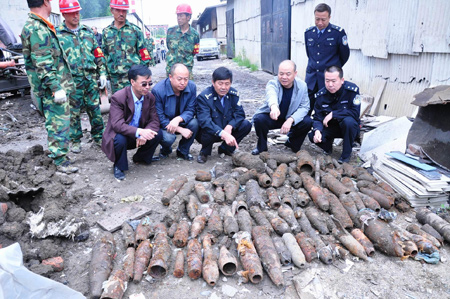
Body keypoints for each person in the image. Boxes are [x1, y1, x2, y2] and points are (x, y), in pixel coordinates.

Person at [20, 0, 77, 174]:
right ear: (46, 2)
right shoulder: (37, 28)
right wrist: (55, 87)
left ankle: (60, 157)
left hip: (52, 86)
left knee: (58, 123)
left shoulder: (39, 25)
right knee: (57, 123)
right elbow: (43, 62)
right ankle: (59, 161)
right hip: (51, 89)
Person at [57, 0, 106, 153]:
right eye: (72, 13)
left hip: (90, 79)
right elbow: (55, 59)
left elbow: (97, 53)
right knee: (74, 112)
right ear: (64, 14)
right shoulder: (58, 34)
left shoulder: (87, 31)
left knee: (95, 110)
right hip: (71, 81)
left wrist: (102, 72)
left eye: (77, 12)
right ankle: (76, 140)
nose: (76, 16)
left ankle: (99, 137)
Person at [101, 65, 162, 180]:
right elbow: (117, 124)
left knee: (157, 133)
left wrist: (145, 133)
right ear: (132, 82)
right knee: (119, 139)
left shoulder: (150, 97)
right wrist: (139, 132)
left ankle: (141, 158)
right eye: (144, 84)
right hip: (123, 135)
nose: (147, 87)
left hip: (138, 135)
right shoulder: (118, 97)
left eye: (150, 83)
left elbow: (154, 120)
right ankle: (119, 165)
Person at [252, 60, 312, 155]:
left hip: (290, 118)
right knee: (259, 119)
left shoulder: (302, 86)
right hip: (274, 117)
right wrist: (274, 107)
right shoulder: (273, 83)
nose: (284, 77)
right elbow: (271, 94)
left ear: (295, 74)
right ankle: (261, 147)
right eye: (281, 74)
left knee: (307, 121)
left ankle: (293, 143)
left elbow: (305, 107)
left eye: (288, 74)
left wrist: (291, 120)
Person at [196, 67, 251, 163]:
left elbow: (240, 114)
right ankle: (204, 152)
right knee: (206, 129)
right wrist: (222, 133)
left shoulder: (233, 94)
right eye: (220, 83)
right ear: (213, 83)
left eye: (227, 84)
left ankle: (225, 148)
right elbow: (205, 121)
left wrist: (230, 126)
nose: (223, 87)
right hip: (211, 132)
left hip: (227, 129)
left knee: (246, 125)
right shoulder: (204, 97)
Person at [308, 66, 360, 163]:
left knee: (349, 122)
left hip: (348, 128)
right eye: (327, 81)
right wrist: (317, 131)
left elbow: (355, 113)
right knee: (312, 136)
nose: (330, 84)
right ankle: (327, 148)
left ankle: (345, 156)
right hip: (331, 127)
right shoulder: (321, 95)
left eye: (333, 81)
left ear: (342, 80)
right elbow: (317, 117)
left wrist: (334, 114)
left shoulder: (351, 91)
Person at [304, 3, 350, 115]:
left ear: (329, 17)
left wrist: (333, 70)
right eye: (317, 19)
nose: (320, 23)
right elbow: (309, 54)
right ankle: (302, 129)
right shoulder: (309, 33)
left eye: (323, 19)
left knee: (327, 107)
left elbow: (344, 55)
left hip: (328, 78)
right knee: (306, 106)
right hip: (312, 77)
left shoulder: (337, 33)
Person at [102, 0, 150, 93]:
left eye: (124, 11)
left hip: (132, 77)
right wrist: (104, 74)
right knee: (119, 104)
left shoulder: (135, 31)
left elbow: (144, 55)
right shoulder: (106, 32)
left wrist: (142, 76)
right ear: (112, 11)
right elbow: (104, 55)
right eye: (118, 10)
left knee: (135, 105)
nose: (121, 14)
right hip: (115, 79)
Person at [152, 63, 198, 161]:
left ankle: (183, 151)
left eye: (186, 79)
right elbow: (159, 117)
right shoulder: (158, 90)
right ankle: (165, 149)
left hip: (181, 120)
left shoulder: (192, 87)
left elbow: (191, 109)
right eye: (179, 79)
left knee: (194, 123)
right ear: (170, 77)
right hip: (165, 124)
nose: (183, 82)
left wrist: (178, 119)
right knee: (169, 138)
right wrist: (180, 129)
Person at [165, 3, 200, 77]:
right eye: (177, 15)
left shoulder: (195, 35)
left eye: (181, 16)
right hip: (171, 70)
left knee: (189, 88)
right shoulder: (170, 31)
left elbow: (194, 52)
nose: (178, 18)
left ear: (188, 17)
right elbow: (168, 46)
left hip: (186, 71)